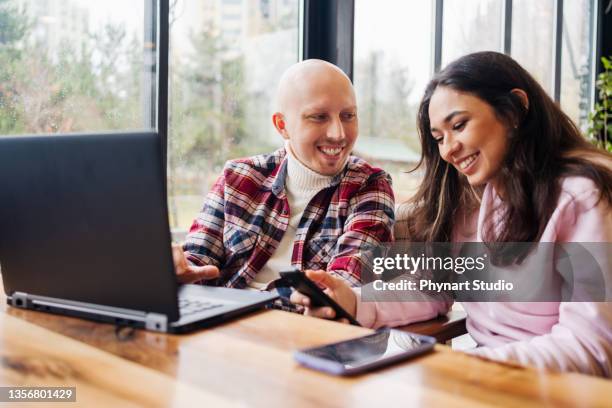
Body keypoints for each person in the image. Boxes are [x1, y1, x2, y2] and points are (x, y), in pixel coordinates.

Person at [291, 51, 612, 376]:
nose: (448, 150)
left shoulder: (583, 196)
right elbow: (434, 285)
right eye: (439, 138)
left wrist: (472, 368)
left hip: (545, 388)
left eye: (459, 125)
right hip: (486, 379)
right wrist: (353, 300)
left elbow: (591, 346)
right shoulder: (478, 193)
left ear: (515, 109)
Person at [173, 59, 395, 295]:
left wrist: (255, 300)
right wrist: (178, 268)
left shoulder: (370, 187)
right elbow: (196, 260)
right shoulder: (237, 178)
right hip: (225, 323)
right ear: (282, 125)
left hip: (306, 328)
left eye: (348, 115)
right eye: (319, 117)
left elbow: (342, 290)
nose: (338, 134)